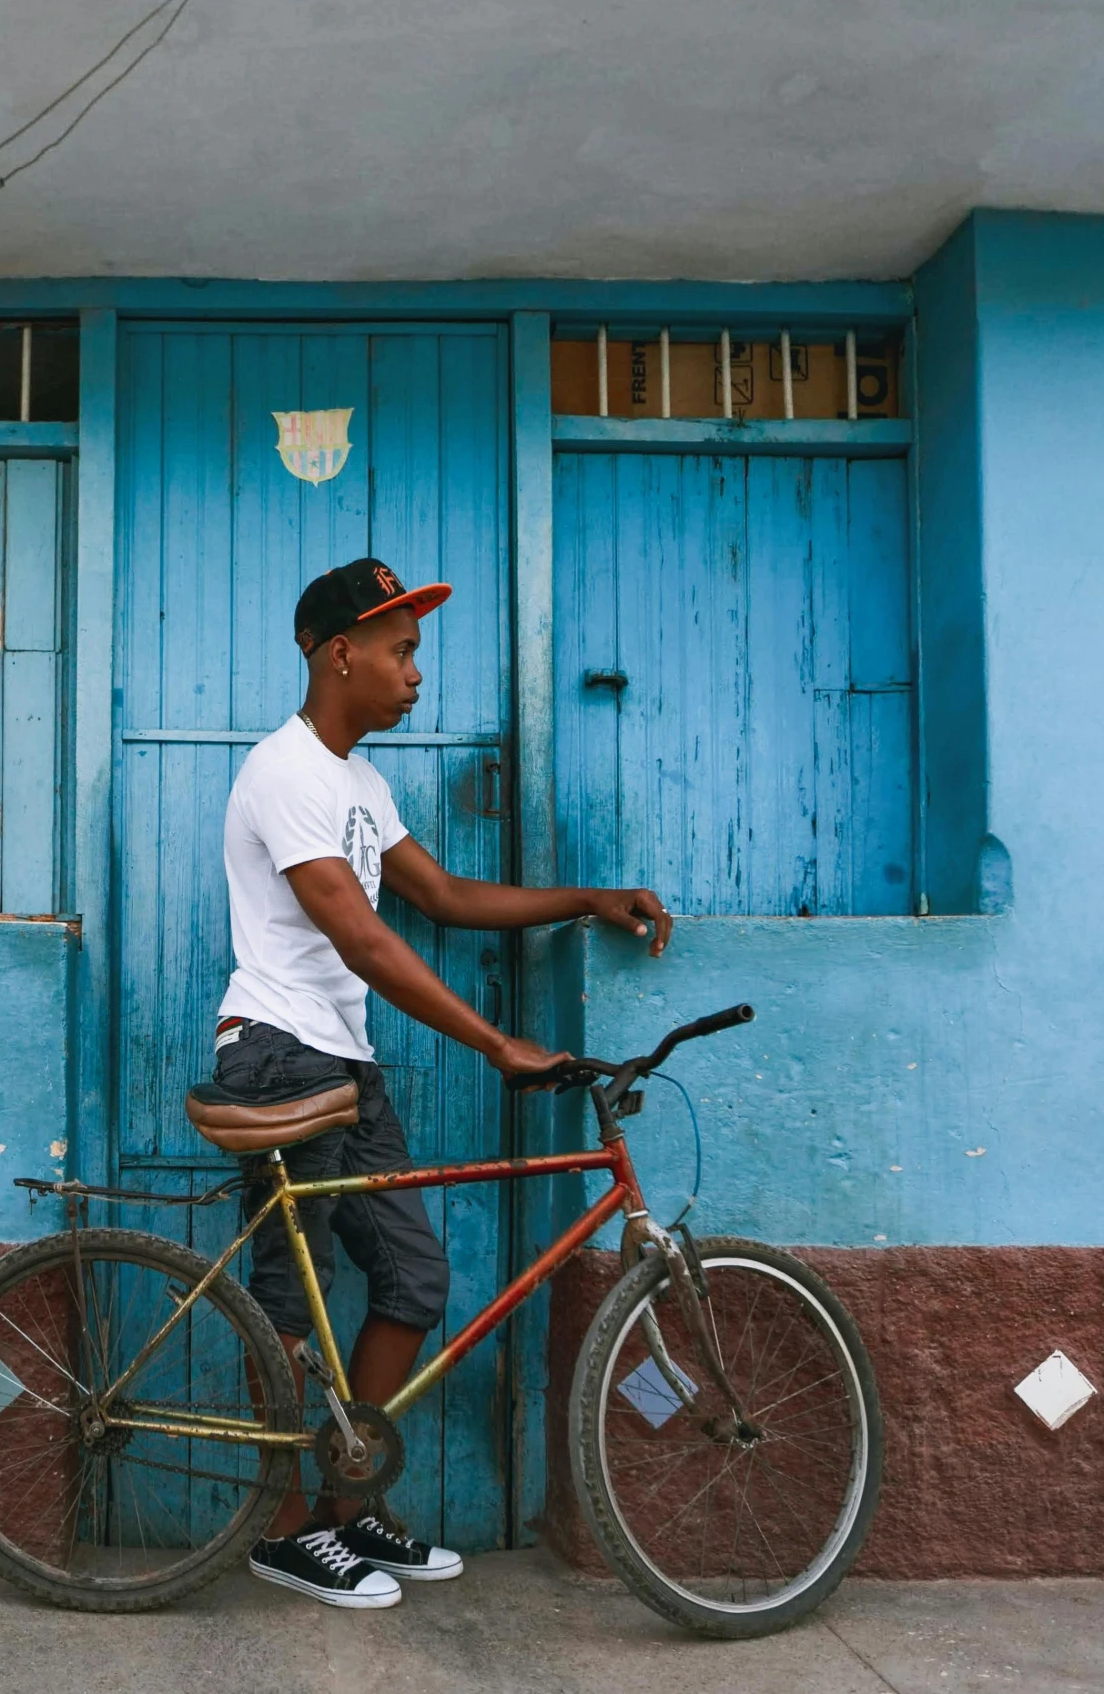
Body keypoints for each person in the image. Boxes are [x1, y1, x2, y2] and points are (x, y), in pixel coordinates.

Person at [212, 556, 673, 1610]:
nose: (416, 671)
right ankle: (283, 1532)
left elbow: (445, 895)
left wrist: (583, 897)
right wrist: (495, 1043)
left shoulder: (361, 783)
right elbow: (365, 938)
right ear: (340, 652)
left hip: (345, 1062)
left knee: (412, 1278)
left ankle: (347, 1509)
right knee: (290, 1302)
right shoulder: (284, 772)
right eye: (401, 649)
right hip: (280, 1052)